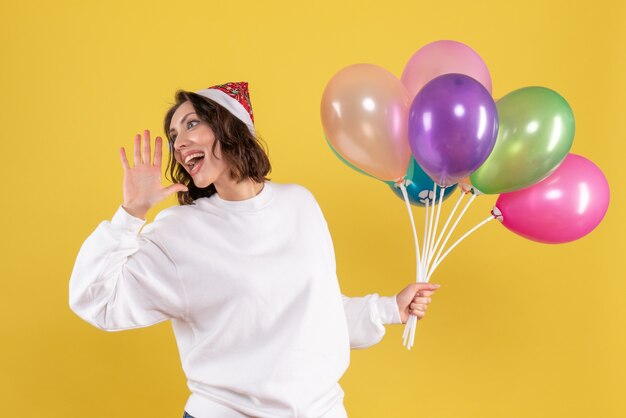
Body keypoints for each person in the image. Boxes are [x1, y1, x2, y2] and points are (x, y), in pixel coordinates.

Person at [68, 81, 440, 418]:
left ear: (231, 127)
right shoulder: (179, 233)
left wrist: (390, 308)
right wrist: (131, 212)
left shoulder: (300, 204)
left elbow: (317, 315)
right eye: (173, 134)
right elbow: (96, 300)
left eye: (192, 124)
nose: (178, 142)